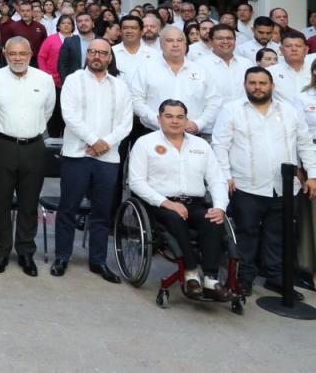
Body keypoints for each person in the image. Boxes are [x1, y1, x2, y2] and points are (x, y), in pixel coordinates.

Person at [213, 67, 316, 295]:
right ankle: (244, 279)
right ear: (245, 85)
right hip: (246, 185)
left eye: (262, 83)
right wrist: (226, 176)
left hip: (285, 187)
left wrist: (313, 175)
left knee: (278, 234)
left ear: (272, 86)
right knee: (246, 234)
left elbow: (305, 144)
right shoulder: (232, 110)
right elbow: (220, 145)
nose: (257, 87)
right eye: (252, 83)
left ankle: (275, 277)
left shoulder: (290, 111)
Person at [128, 100, 231, 300]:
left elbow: (216, 180)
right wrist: (167, 203)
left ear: (186, 120)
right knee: (175, 218)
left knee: (213, 220)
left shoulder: (201, 145)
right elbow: (136, 182)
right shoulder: (145, 143)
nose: (174, 121)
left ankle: (210, 279)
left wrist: (219, 207)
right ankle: (191, 273)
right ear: (159, 119)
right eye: (169, 116)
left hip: (195, 203)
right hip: (159, 204)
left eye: (179, 117)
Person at [51, 39, 130, 280]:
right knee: (68, 209)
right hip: (77, 155)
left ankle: (98, 261)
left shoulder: (120, 86)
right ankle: (62, 257)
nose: (97, 56)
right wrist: (94, 141)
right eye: (93, 52)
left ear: (109, 58)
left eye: (102, 53)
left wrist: (105, 143)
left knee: (102, 212)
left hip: (108, 157)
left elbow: (126, 122)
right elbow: (69, 115)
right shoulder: (74, 80)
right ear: (87, 55)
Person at [0, 36, 55, 275]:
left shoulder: (44, 80)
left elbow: (47, 111)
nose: (17, 58)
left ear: (30, 54)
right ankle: (1, 252)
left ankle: (25, 252)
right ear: (5, 54)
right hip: (2, 146)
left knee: (29, 203)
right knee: (0, 202)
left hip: (34, 147)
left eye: (22, 53)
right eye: (12, 53)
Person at [130, 26, 219, 138]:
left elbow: (213, 101)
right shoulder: (146, 69)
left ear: (185, 44)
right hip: (153, 133)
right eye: (170, 40)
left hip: (192, 135)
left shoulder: (201, 70)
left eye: (179, 40)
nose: (175, 44)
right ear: (161, 44)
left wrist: (199, 123)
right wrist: (159, 121)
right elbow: (136, 100)